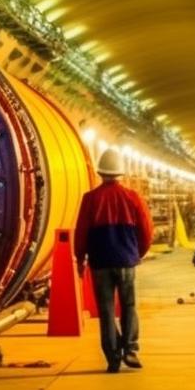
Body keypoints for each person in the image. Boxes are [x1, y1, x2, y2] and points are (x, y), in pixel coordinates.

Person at [74, 147, 153, 373]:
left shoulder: (90, 199)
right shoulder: (133, 197)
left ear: (101, 173)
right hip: (126, 260)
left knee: (106, 309)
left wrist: (80, 259)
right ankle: (130, 349)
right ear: (121, 173)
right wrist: (138, 253)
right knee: (129, 305)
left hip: (100, 262)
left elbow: (81, 232)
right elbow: (146, 230)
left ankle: (112, 358)